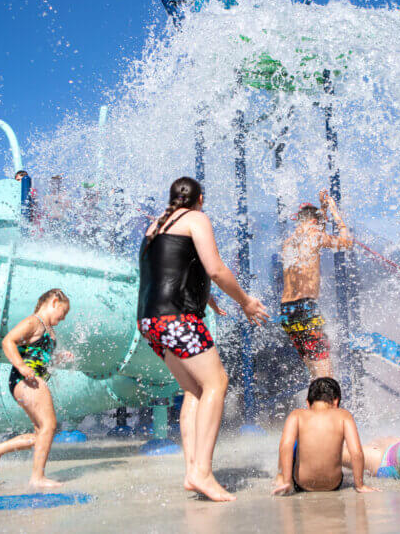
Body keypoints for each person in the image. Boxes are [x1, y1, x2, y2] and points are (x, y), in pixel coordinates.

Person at [138, 176, 269, 502]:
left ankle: (192, 471)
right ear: (200, 199)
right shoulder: (196, 218)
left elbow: (169, 270)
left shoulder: (155, 227)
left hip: (149, 320)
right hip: (177, 317)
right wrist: (246, 301)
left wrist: (204, 298)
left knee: (194, 390)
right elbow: (215, 269)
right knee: (217, 383)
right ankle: (203, 472)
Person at [0, 289, 75, 490]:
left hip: (30, 379)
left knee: (41, 435)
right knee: (49, 425)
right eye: (63, 312)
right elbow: (8, 341)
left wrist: (59, 358)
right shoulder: (34, 322)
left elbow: (41, 358)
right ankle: (37, 477)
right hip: (26, 379)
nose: (63, 318)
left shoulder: (47, 329)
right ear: (54, 302)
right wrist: (21, 366)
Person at [279, 190, 353, 379]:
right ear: (313, 221)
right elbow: (346, 243)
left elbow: (317, 227)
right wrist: (335, 213)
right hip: (306, 308)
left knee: (314, 373)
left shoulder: (288, 242)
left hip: (288, 312)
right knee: (326, 376)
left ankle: (315, 406)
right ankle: (328, 407)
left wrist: (323, 207)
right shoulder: (315, 234)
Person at [271, 377, 376, 495]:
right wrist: (360, 485)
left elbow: (285, 446)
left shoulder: (297, 415)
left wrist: (287, 481)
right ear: (336, 401)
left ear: (307, 402)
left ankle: (281, 477)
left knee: (292, 443)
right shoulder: (344, 415)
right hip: (333, 485)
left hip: (301, 484)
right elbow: (356, 452)